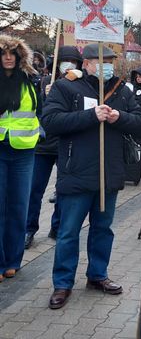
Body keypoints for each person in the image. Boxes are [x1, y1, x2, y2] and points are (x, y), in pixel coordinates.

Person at [41, 43, 141, 309]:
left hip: (108, 173)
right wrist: (90, 116)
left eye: (110, 60)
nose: (106, 65)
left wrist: (119, 117)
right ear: (86, 63)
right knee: (68, 232)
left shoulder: (121, 90)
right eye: (101, 60)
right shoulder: (67, 87)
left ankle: (97, 275)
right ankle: (62, 283)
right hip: (76, 173)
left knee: (102, 229)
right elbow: (51, 122)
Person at [25, 46, 83, 249]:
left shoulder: (80, 85)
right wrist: (44, 94)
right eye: (64, 61)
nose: (68, 65)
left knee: (63, 190)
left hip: (65, 144)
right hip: (42, 145)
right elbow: (33, 110)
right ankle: (29, 229)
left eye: (73, 62)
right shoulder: (42, 82)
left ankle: (57, 226)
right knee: (34, 189)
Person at [0, 35, 40, 283]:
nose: (7, 57)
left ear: (19, 56)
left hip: (25, 151)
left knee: (18, 207)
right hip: (0, 149)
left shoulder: (30, 81)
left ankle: (13, 260)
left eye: (12, 53)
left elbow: (40, 110)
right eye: (4, 53)